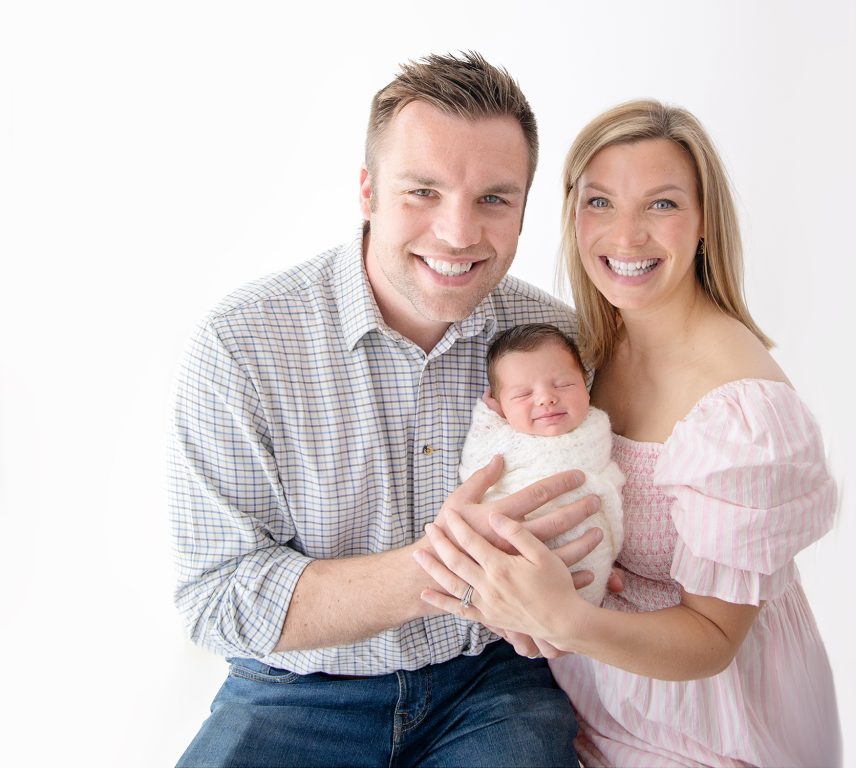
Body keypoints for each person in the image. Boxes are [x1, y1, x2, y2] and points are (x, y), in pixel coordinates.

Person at [169, 52, 608, 768]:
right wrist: (449, 567)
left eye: (494, 198)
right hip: (295, 689)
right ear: (368, 191)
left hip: (493, 683)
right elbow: (218, 599)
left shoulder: (563, 346)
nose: (459, 233)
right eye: (423, 192)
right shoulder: (242, 343)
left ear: (526, 208)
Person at [417, 99, 843, 767]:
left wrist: (563, 620)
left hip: (710, 719)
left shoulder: (741, 411)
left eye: (662, 204)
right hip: (595, 697)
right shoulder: (587, 356)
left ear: (704, 222)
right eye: (600, 203)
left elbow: (713, 641)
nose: (626, 235)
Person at [459, 323, 624, 605]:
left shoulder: (596, 426)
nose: (547, 398)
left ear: (586, 385)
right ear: (501, 406)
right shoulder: (502, 438)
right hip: (518, 564)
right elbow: (473, 467)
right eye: (523, 395)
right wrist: (487, 417)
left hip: (592, 552)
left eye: (563, 384)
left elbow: (611, 477)